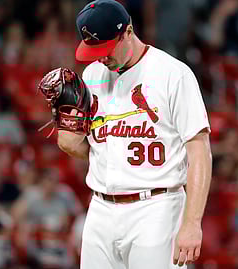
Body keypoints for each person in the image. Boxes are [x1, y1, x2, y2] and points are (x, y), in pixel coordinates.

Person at [57, 0, 212, 268]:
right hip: (100, 209)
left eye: (106, 47)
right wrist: (68, 134)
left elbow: (199, 150)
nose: (101, 57)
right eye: (93, 49)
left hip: (156, 208)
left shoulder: (172, 74)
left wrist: (192, 223)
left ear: (128, 31)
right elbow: (88, 148)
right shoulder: (92, 74)